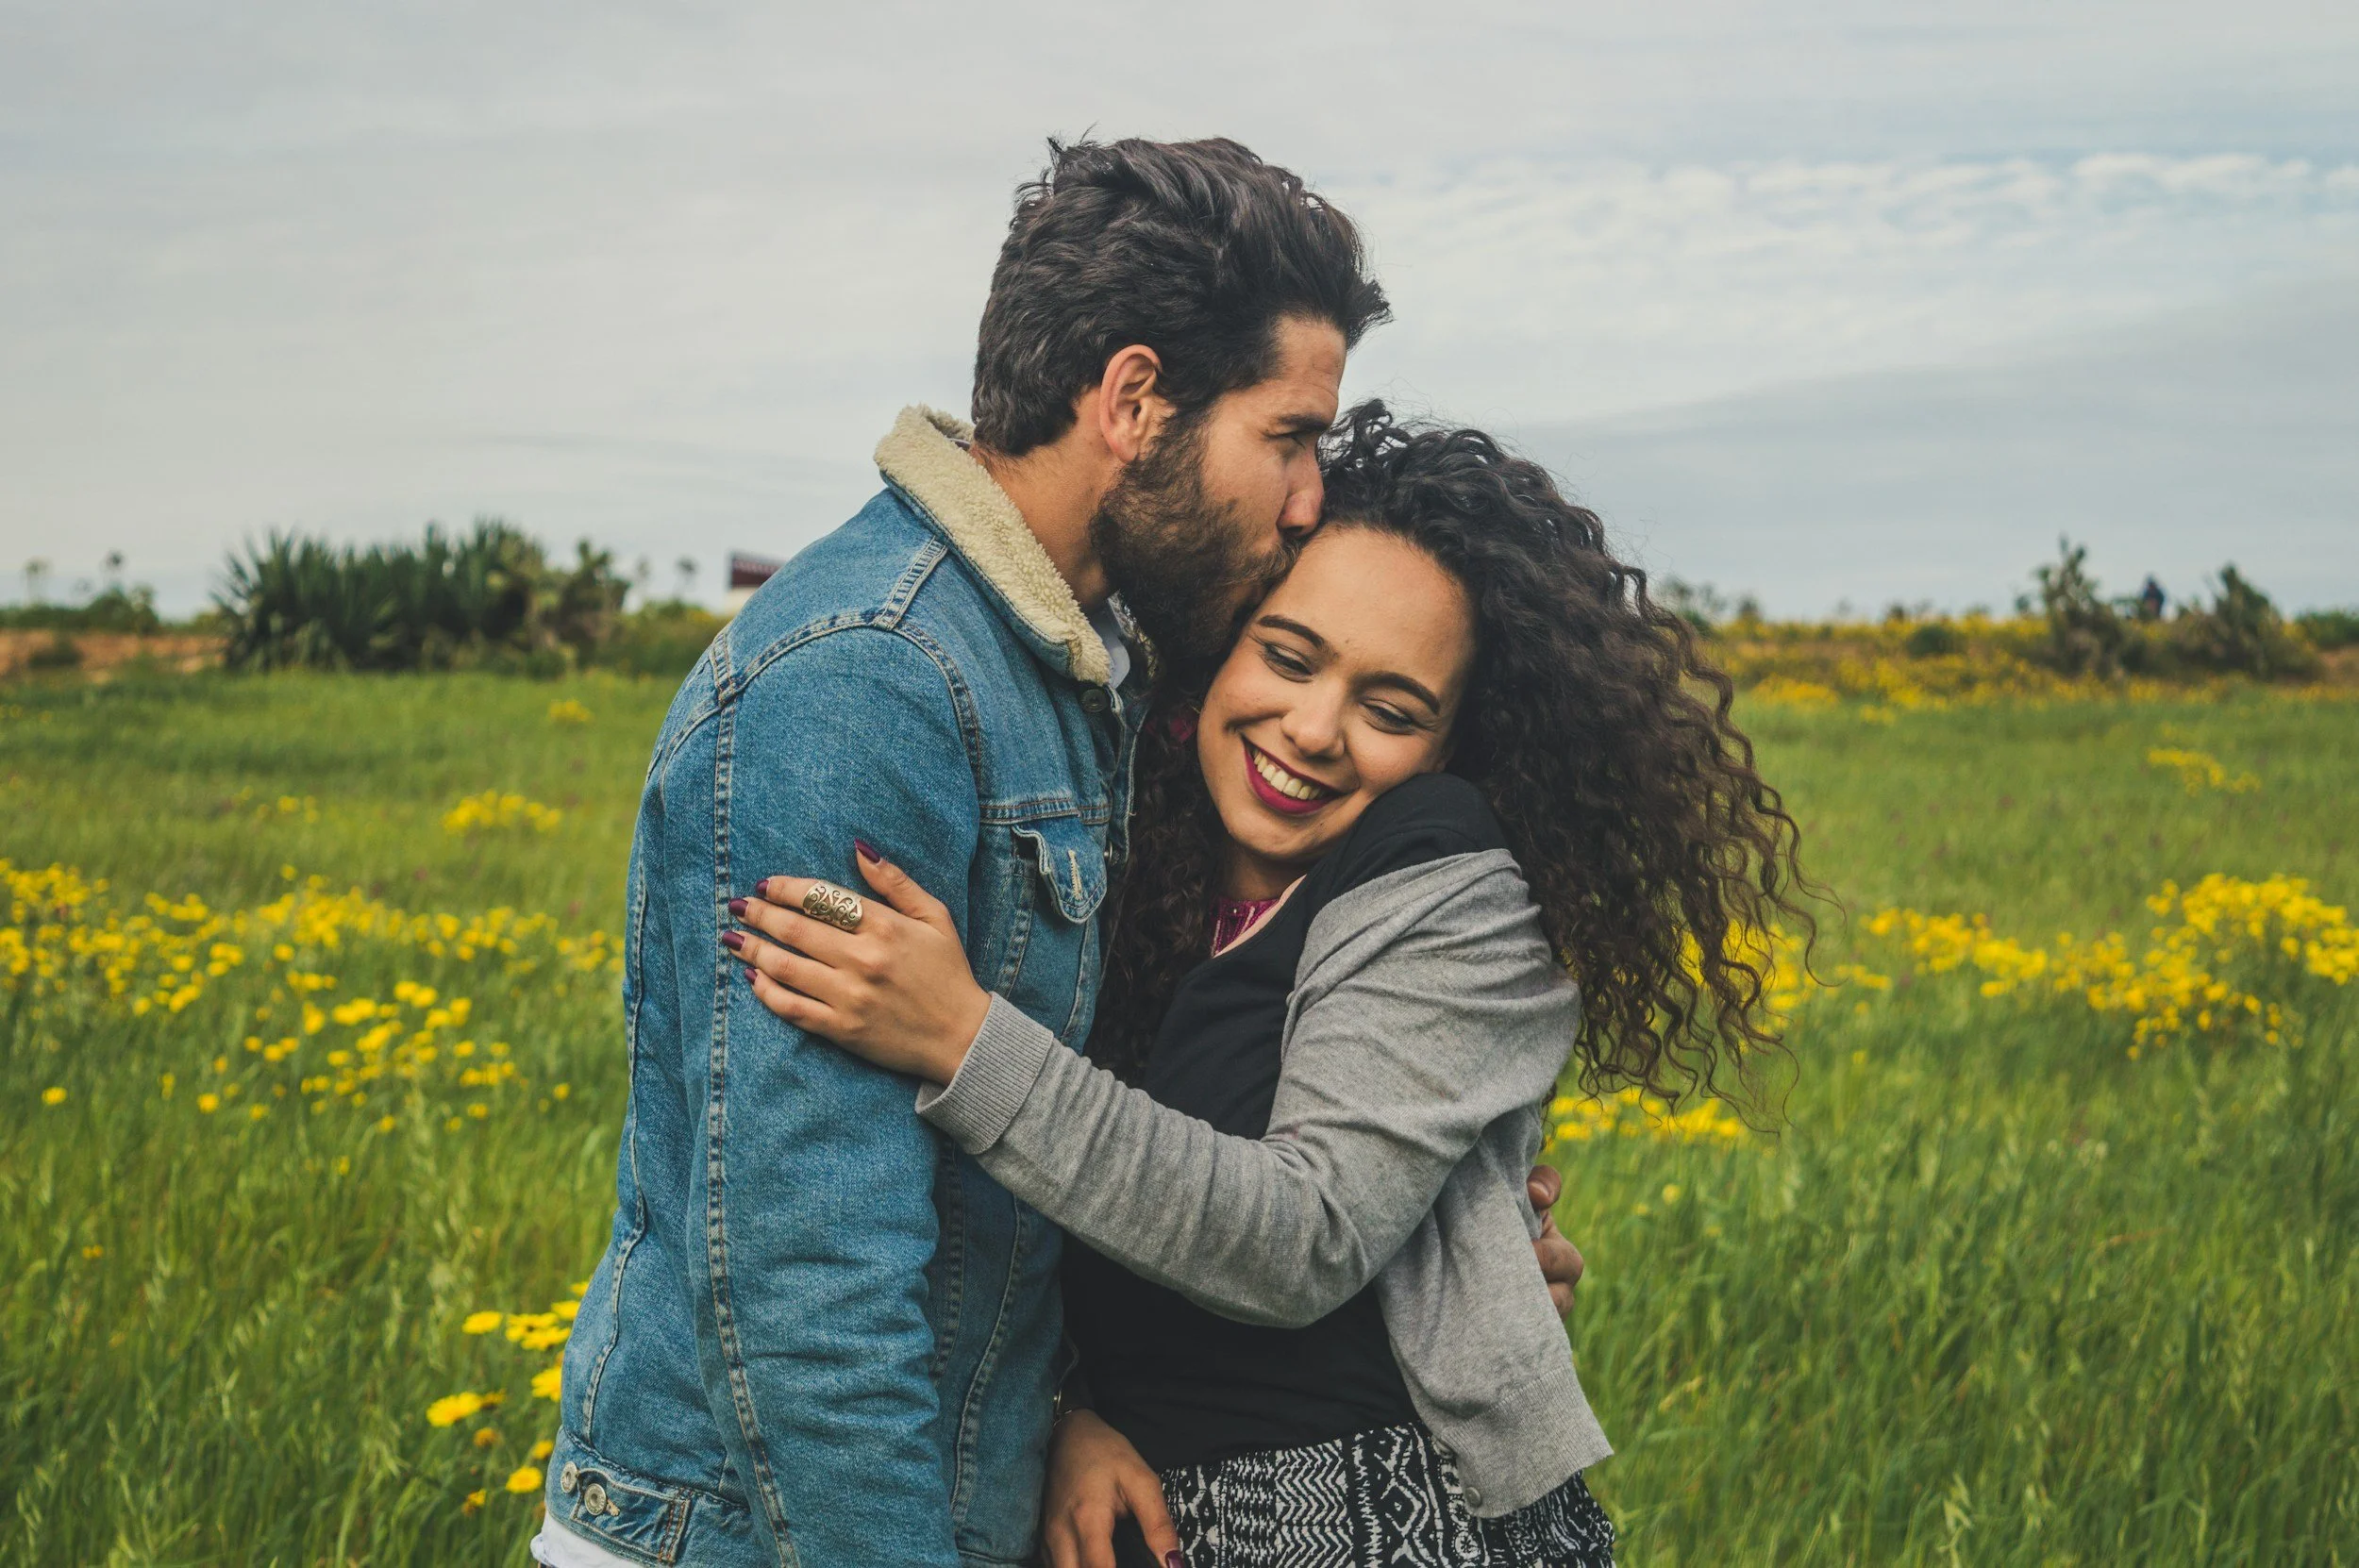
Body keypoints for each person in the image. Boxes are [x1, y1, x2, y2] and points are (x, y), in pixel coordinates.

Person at [534, 139, 1583, 1568]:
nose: (1306, 500)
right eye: (1287, 437)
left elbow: (1043, 1180)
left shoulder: (1087, 668)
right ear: (1135, 401)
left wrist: (1067, 1406)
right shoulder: (869, 680)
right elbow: (805, 1281)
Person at [729, 407, 1813, 1566]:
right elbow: (1043, 1221)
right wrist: (1062, 1415)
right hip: (1129, 1512)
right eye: (1288, 658)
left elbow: (1301, 1236)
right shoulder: (1120, 869)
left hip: (1390, 1522)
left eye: (1391, 710)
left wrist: (959, 1038)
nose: (1313, 729)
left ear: (1447, 749)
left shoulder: (1450, 882)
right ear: (1214, 653)